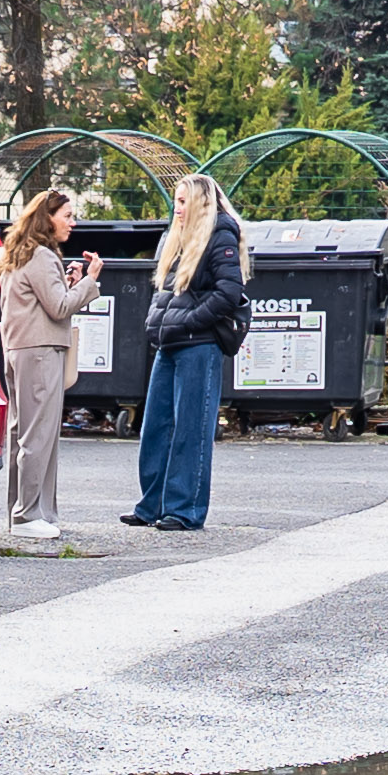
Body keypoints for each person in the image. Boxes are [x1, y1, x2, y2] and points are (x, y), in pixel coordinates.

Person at [127, 174, 245, 531]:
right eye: (175, 201)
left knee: (191, 430)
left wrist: (193, 322)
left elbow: (229, 291)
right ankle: (153, 505)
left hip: (199, 344)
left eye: (183, 202)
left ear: (200, 203)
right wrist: (156, 323)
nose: (177, 209)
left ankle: (184, 510)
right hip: (171, 342)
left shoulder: (220, 233)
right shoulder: (175, 236)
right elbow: (164, 290)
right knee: (155, 428)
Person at [0, 183, 95, 540]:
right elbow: (60, 307)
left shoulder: (21, 254)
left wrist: (69, 284)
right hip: (40, 350)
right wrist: (90, 282)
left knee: (24, 433)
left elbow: (38, 301)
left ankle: (24, 512)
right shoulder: (42, 255)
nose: (73, 223)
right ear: (47, 219)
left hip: (19, 350)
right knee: (40, 434)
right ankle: (29, 514)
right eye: (67, 216)